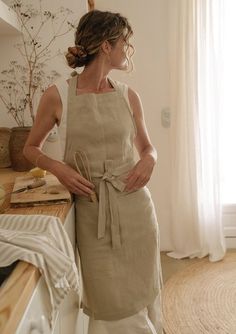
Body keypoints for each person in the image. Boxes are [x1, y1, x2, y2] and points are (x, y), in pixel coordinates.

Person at [24, 9, 164, 334]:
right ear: (106, 46)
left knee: (143, 291)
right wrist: (59, 169)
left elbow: (148, 147)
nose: (128, 49)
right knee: (107, 298)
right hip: (94, 214)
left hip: (137, 210)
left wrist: (150, 160)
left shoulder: (129, 96)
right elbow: (30, 148)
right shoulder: (58, 95)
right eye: (124, 42)